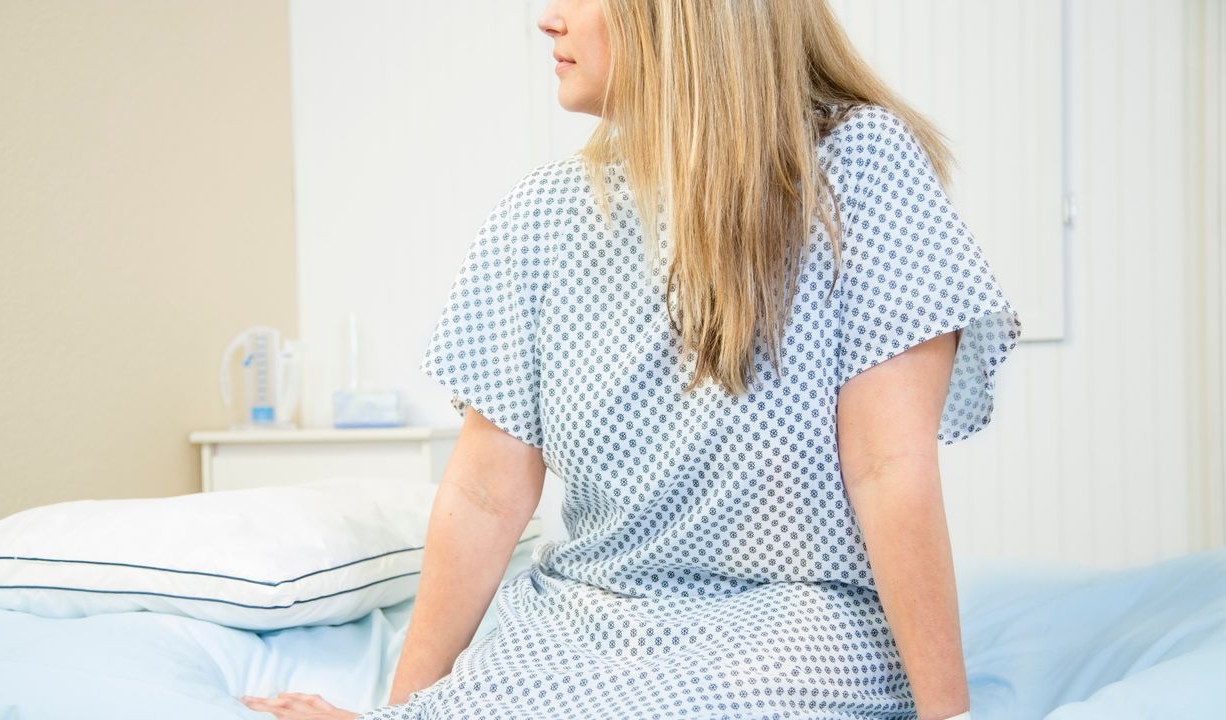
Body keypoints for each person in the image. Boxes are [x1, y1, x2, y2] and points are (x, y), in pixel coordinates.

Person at [240, 0, 1021, 718]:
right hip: (579, 624)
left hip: (793, 625)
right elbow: (483, 495)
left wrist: (947, 715)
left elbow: (889, 465)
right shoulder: (541, 216)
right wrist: (401, 711)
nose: (548, 20)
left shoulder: (861, 167)